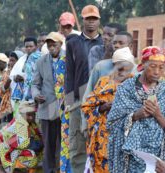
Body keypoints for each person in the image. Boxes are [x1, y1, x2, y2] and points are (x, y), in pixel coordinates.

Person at [107, 46, 165, 172]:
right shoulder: (126, 88)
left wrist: (158, 115)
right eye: (152, 66)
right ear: (143, 65)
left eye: (161, 67)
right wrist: (136, 115)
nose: (157, 72)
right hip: (131, 157)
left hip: (158, 158)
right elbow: (112, 123)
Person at [81, 47, 135, 172]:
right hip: (103, 135)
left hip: (127, 136)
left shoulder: (135, 84)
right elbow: (87, 106)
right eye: (120, 69)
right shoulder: (103, 82)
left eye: (127, 70)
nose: (122, 73)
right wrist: (103, 107)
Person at [65, 5, 103, 173]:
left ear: (99, 21)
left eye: (94, 19)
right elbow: (69, 73)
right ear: (83, 20)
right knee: (77, 143)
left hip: (101, 100)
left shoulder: (105, 44)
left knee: (100, 141)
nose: (91, 22)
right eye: (88, 19)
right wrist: (69, 101)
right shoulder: (73, 43)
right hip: (78, 99)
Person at [32, 32, 64, 173]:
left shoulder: (69, 59)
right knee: (49, 142)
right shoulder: (41, 61)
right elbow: (35, 84)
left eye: (54, 44)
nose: (51, 47)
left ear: (61, 44)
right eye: (49, 45)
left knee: (63, 140)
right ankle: (49, 169)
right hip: (47, 107)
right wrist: (36, 95)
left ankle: (61, 168)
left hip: (65, 107)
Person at [0, 101, 42, 172]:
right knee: (32, 157)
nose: (31, 117)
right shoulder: (21, 125)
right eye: (29, 114)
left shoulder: (24, 120)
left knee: (33, 149)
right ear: (23, 114)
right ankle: (4, 167)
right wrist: (43, 143)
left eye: (33, 114)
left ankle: (11, 166)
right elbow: (28, 144)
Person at [10, 37, 41, 104]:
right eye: (26, 46)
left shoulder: (39, 57)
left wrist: (24, 78)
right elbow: (14, 75)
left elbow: (37, 75)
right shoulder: (22, 59)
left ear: (36, 46)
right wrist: (16, 77)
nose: (28, 48)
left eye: (31, 46)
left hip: (35, 92)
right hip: (23, 92)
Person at [0, 51, 20, 122]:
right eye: (10, 60)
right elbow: (1, 90)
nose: (10, 63)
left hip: (19, 104)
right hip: (8, 106)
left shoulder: (23, 72)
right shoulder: (7, 73)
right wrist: (9, 80)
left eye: (13, 60)